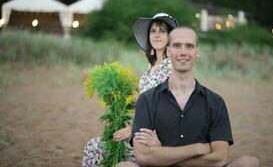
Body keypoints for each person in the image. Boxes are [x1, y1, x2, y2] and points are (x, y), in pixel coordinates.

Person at [117, 27, 259, 167]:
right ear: (168, 51)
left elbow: (219, 159)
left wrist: (161, 154)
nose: (183, 52)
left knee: (249, 162)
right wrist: (196, 148)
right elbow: (144, 157)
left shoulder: (215, 102)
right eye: (177, 45)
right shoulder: (147, 99)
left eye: (189, 46)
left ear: (197, 51)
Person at [81, 13, 178, 167]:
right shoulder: (151, 67)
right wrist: (119, 101)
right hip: (138, 132)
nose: (157, 35)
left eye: (162, 31)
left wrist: (133, 130)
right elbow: (144, 102)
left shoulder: (172, 67)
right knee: (96, 146)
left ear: (171, 36)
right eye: (153, 31)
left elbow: (166, 107)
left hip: (154, 138)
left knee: (95, 148)